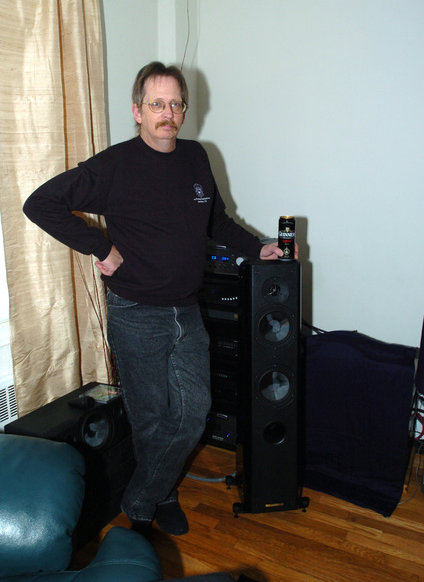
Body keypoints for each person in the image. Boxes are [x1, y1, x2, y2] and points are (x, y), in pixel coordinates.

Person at [23, 61, 284, 537]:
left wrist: (257, 246)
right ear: (137, 111)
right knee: (149, 420)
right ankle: (159, 497)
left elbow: (217, 223)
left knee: (191, 414)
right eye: (156, 104)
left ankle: (137, 501)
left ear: (184, 110)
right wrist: (99, 246)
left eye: (175, 104)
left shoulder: (196, 158)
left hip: (187, 310)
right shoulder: (115, 165)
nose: (167, 113)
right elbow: (40, 203)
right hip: (136, 312)